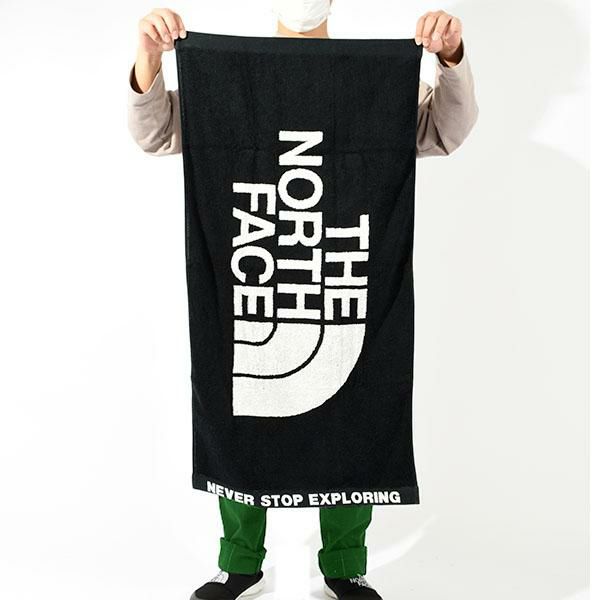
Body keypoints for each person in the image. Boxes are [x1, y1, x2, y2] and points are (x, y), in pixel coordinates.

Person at [127, 2, 478, 599]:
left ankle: (345, 564)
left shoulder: (373, 78)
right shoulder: (227, 76)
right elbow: (154, 133)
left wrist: (450, 58)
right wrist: (149, 59)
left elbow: (446, 130)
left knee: (355, 403)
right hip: (255, 270)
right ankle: (239, 561)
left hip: (342, 272)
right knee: (244, 405)